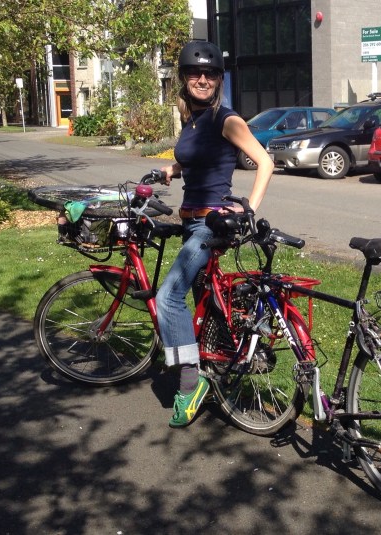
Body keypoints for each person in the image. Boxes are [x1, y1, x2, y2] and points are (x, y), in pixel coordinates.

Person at [158, 40, 274, 428]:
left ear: (219, 79)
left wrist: (248, 208)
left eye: (210, 74)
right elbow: (197, 156)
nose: (202, 79)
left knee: (168, 297)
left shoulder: (227, 119)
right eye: (195, 72)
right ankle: (218, 364)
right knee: (202, 302)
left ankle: (190, 385)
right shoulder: (192, 118)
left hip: (211, 225)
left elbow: (265, 162)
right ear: (184, 77)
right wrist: (173, 170)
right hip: (191, 221)